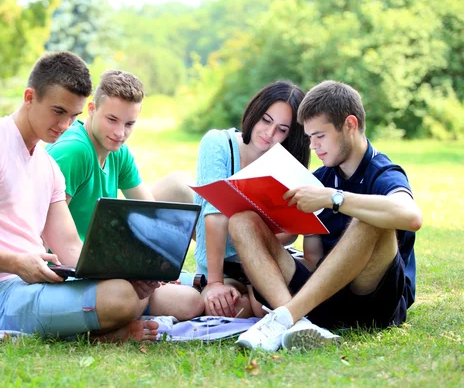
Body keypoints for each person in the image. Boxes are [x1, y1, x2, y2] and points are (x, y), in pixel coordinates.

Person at [0, 52, 161, 342]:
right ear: (29, 97)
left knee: (129, 292)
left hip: (36, 284)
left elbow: (70, 246)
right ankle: (98, 336)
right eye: (57, 111)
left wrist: (127, 272)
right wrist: (15, 262)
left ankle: (100, 333)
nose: (64, 124)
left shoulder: (47, 165)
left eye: (73, 116)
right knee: (123, 299)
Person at [231, 80, 423, 351]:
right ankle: (299, 324)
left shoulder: (383, 172)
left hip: (373, 300)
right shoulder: (320, 178)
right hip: (325, 298)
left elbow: (411, 216)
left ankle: (284, 318)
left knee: (368, 218)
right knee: (242, 221)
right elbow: (312, 258)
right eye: (309, 137)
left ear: (350, 125)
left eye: (319, 136)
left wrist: (334, 199)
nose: (313, 146)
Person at [45, 69, 204, 321]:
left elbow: (150, 211)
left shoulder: (118, 150)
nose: (120, 133)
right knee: (187, 302)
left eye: (129, 124)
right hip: (70, 267)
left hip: (105, 253)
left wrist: (150, 267)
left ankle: (220, 272)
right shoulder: (74, 151)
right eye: (112, 120)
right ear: (92, 109)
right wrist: (123, 274)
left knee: (191, 301)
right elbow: (44, 231)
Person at [194, 81, 311, 319]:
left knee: (260, 309)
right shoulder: (218, 144)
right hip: (224, 264)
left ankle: (270, 303)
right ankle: (210, 286)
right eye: (266, 121)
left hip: (260, 256)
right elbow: (214, 215)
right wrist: (215, 283)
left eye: (282, 129)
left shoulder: (285, 163)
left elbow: (290, 232)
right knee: (229, 308)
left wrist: (252, 234)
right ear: (255, 113)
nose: (269, 134)